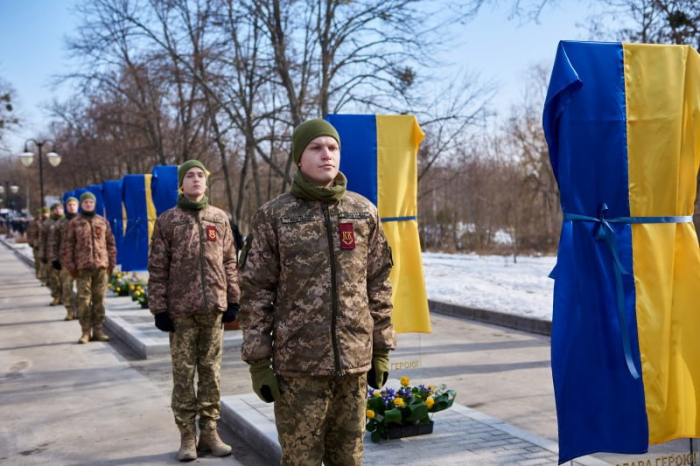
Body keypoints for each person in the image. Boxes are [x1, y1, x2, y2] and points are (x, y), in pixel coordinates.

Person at [238, 118, 396, 466]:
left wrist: (381, 348)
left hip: (354, 367)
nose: (327, 154)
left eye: (333, 147)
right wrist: (258, 362)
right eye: (316, 147)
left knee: (349, 459)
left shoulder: (363, 212)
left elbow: (379, 284)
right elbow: (255, 293)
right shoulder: (274, 217)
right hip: (298, 371)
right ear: (298, 158)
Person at [148, 160, 240, 462]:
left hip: (213, 309)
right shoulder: (168, 221)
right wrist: (159, 308)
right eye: (190, 175)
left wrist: (233, 299)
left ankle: (210, 432)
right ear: (181, 184)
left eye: (200, 175)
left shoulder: (219, 218)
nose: (196, 179)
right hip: (180, 312)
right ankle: (187, 436)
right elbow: (158, 268)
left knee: (211, 374)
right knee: (184, 375)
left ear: (206, 182)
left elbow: (229, 262)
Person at [61, 192, 117, 344]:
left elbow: (110, 244)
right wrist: (71, 266)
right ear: (81, 204)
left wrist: (111, 263)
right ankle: (85, 332)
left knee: (99, 300)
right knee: (84, 300)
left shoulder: (102, 221)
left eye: (91, 202)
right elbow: (68, 246)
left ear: (94, 204)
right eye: (85, 202)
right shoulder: (74, 223)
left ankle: (98, 330)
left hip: (101, 267)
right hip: (83, 268)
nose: (88, 204)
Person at [48, 197, 80, 321]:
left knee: (83, 289)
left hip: (82, 261)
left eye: (74, 204)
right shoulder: (59, 224)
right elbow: (53, 242)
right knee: (67, 287)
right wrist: (54, 259)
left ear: (77, 206)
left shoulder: (83, 221)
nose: (71, 207)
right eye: (69, 205)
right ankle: (70, 311)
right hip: (66, 261)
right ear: (66, 207)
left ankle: (80, 311)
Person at [40, 202, 64, 305]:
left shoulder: (66, 221)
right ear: (52, 211)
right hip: (51, 254)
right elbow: (43, 240)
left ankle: (65, 297)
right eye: (55, 209)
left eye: (59, 208)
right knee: (54, 278)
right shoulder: (47, 223)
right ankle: (56, 296)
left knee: (65, 279)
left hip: (65, 254)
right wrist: (43, 254)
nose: (58, 210)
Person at [26, 209, 43, 281]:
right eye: (38, 214)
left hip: (44, 245)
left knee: (43, 262)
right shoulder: (32, 223)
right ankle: (38, 273)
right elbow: (29, 233)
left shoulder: (44, 222)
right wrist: (30, 242)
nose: (39, 216)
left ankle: (43, 276)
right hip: (36, 245)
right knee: (37, 260)